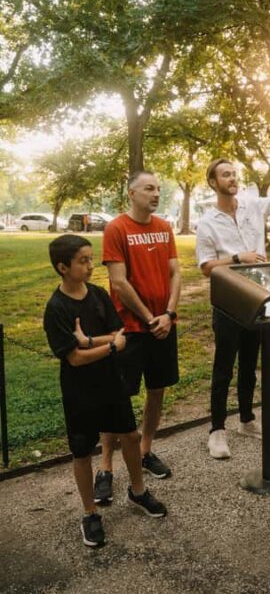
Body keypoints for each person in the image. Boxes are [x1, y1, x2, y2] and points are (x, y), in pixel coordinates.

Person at [43, 235, 167, 548]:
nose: (90, 265)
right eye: (82, 260)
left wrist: (88, 341)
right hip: (79, 391)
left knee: (130, 437)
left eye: (90, 258)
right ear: (62, 267)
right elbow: (74, 358)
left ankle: (137, 492)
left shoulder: (98, 294)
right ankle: (89, 513)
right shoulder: (56, 308)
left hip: (111, 383)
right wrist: (107, 346)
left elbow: (116, 332)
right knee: (82, 451)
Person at [196, 158, 270, 459]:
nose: (232, 178)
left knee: (250, 364)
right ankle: (217, 431)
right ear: (213, 182)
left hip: (260, 296)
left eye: (234, 173)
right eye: (225, 174)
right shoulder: (207, 223)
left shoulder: (252, 205)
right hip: (228, 301)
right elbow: (206, 266)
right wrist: (237, 258)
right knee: (224, 368)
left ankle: (247, 419)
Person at [95, 171, 180, 503]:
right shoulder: (117, 228)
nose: (156, 193)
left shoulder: (164, 227)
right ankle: (105, 467)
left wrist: (169, 314)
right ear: (132, 193)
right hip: (131, 329)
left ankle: (145, 451)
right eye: (149, 188)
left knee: (156, 390)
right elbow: (118, 282)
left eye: (158, 188)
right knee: (118, 397)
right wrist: (149, 318)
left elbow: (175, 272)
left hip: (164, 326)